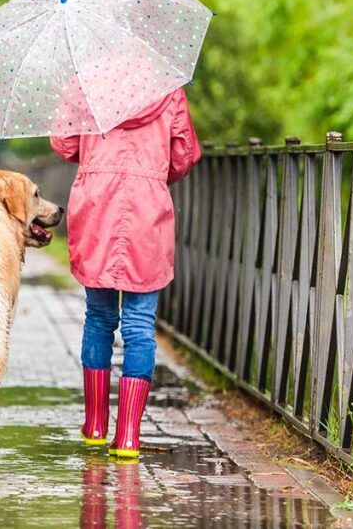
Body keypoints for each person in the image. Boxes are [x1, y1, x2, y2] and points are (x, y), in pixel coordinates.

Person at [50, 87, 201, 459]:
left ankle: (96, 424)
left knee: (98, 317)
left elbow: (64, 143)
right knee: (140, 325)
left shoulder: (87, 81)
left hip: (97, 203)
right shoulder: (168, 87)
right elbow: (184, 155)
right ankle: (129, 436)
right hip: (147, 207)